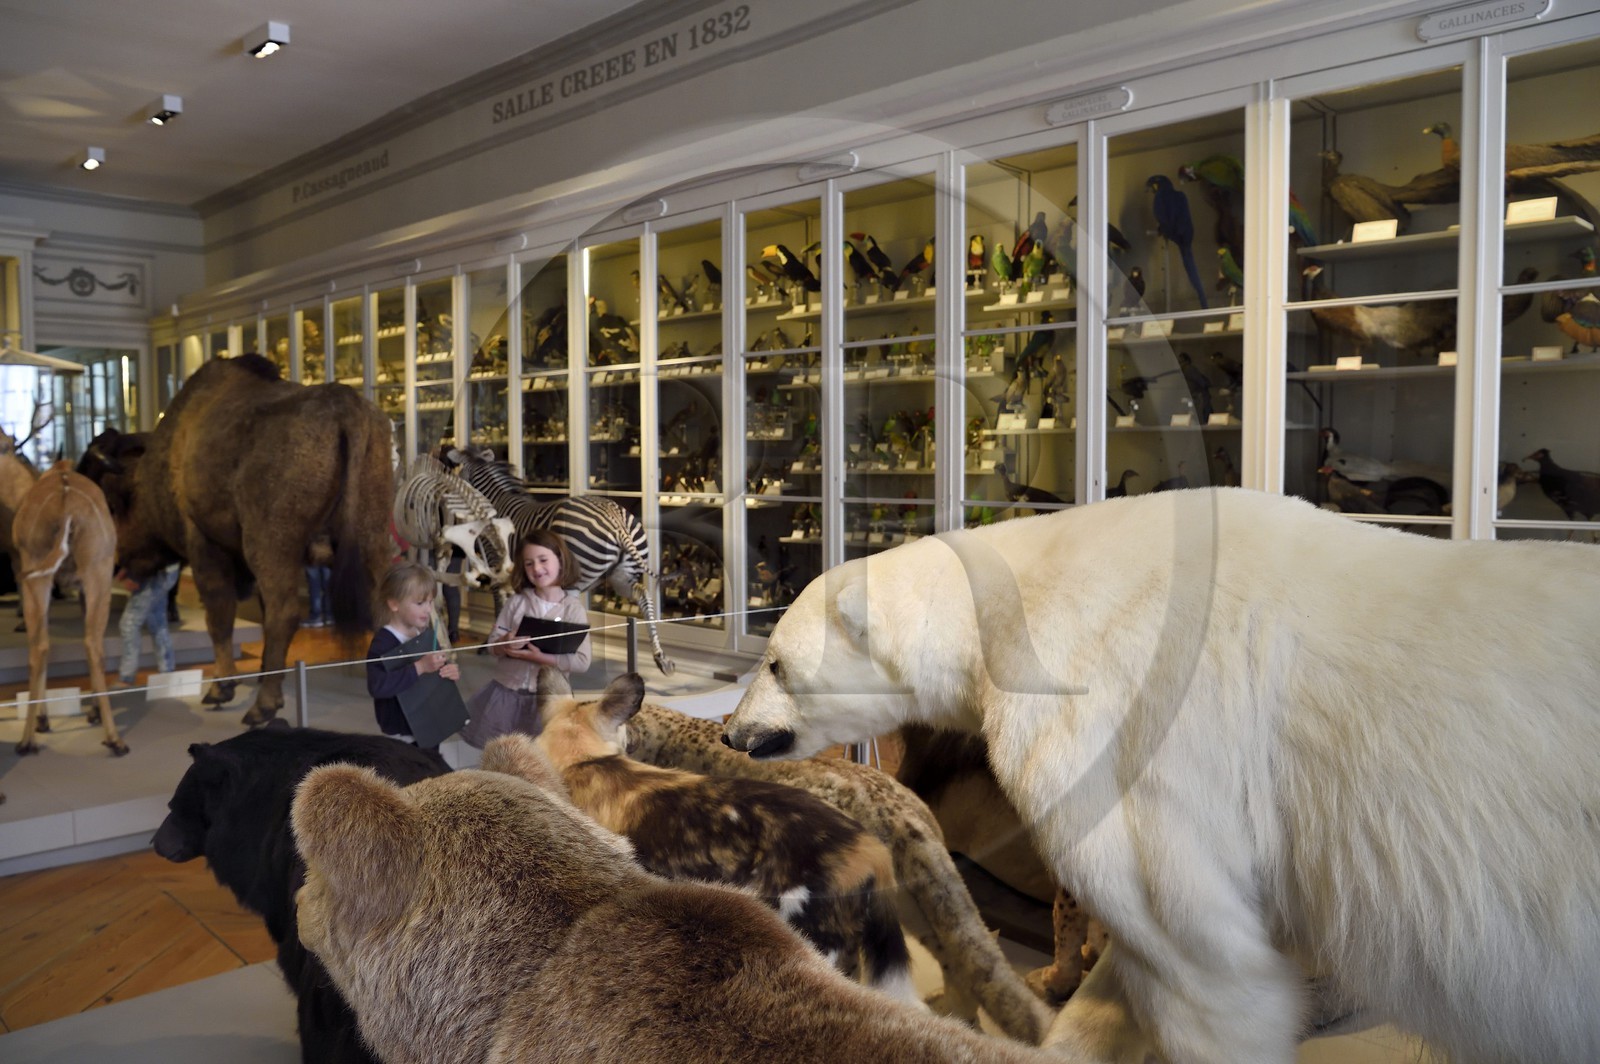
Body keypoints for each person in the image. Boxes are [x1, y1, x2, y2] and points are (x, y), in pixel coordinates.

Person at [460, 529, 590, 749]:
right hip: (506, 696)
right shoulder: (515, 603)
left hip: (548, 699)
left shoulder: (573, 610)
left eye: (543, 560)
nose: (537, 568)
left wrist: (540, 658)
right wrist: (505, 643)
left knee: (542, 757)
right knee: (505, 753)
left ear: (561, 560)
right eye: (529, 563)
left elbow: (582, 662)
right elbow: (492, 645)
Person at [366, 562, 460, 747]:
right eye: (420, 603)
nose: (428, 609)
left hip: (429, 724)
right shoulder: (383, 643)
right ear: (394, 604)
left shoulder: (425, 635)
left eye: (430, 602)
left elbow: (438, 668)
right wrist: (419, 667)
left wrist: (449, 671)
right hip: (401, 734)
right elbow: (378, 686)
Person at [117, 561, 182, 686]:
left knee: (129, 624)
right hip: (165, 569)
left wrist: (135, 574)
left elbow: (149, 551)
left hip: (153, 570)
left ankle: (126, 677)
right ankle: (167, 674)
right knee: (158, 622)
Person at [303, 560, 333, 628]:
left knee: (314, 587)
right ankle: (329, 615)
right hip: (328, 556)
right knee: (328, 586)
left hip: (312, 557)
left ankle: (316, 617)